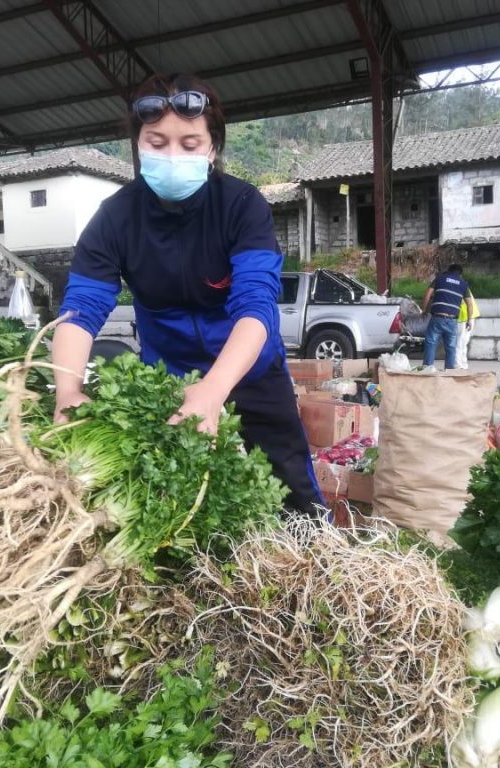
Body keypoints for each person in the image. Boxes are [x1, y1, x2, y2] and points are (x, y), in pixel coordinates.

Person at [51, 72, 324, 515]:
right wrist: (67, 390)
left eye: (189, 144)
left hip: (251, 373)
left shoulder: (241, 205)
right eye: (157, 144)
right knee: (181, 504)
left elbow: (256, 307)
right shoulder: (115, 218)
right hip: (167, 381)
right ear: (138, 146)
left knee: (292, 490)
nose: (172, 155)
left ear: (212, 148)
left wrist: (214, 390)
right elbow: (80, 312)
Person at [420, 264, 474, 371]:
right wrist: (469, 320)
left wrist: (424, 310)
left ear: (448, 271)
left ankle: (427, 369)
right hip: (452, 320)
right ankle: (449, 371)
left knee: (431, 343)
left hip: (437, 317)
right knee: (451, 347)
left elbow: (427, 294)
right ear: (460, 274)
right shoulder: (463, 284)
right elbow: (469, 304)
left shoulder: (440, 279)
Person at [455, 291, 480, 370]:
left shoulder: (456, 286)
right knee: (463, 342)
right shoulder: (463, 285)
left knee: (458, 343)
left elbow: (461, 301)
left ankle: (458, 365)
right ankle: (463, 364)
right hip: (470, 316)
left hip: (462, 317)